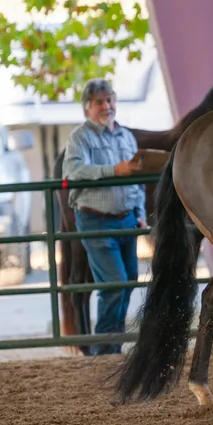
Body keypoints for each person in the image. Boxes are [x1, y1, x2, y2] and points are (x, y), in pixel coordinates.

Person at [63, 79, 146, 356]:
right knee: (114, 282)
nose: (106, 106)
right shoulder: (80, 137)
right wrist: (113, 171)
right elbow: (74, 171)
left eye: (110, 100)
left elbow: (137, 181)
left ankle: (112, 344)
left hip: (126, 219)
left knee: (128, 280)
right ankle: (104, 349)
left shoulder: (126, 137)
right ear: (87, 108)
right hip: (95, 219)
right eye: (100, 102)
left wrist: (139, 214)